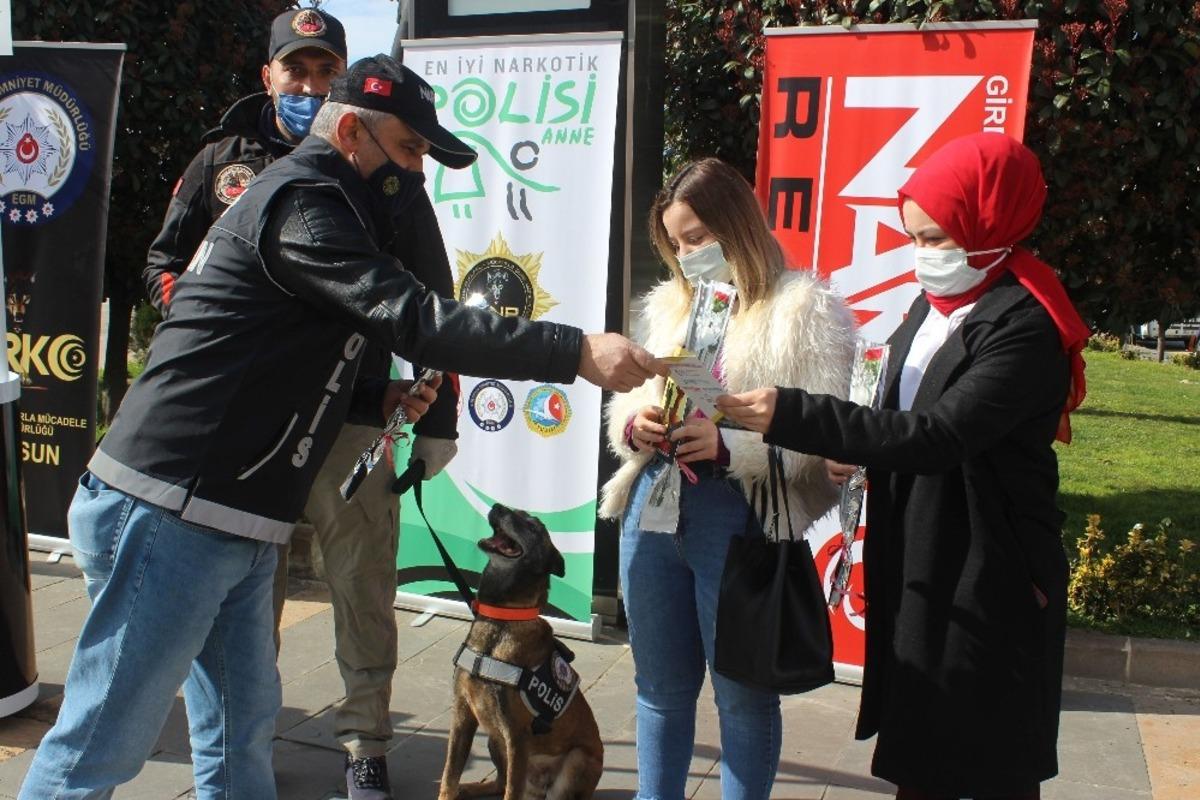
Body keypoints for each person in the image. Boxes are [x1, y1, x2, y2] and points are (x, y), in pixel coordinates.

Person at [18, 55, 662, 800]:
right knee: (100, 743)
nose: (418, 173)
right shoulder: (304, 200)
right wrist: (574, 350)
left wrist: (379, 407)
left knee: (238, 730)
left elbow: (286, 349)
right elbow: (416, 319)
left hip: (236, 516)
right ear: (351, 130)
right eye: (411, 149)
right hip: (173, 509)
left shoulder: (339, 210)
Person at [140, 12, 460, 798]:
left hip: (353, 414)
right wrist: (192, 318)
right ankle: (246, 744)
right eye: (296, 70)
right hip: (248, 425)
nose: (309, 85)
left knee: (361, 586)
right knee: (249, 593)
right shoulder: (224, 161)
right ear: (269, 77)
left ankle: (365, 745)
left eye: (325, 71)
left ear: (343, 85)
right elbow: (163, 260)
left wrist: (440, 422)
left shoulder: (384, 171)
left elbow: (431, 293)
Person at [717, 133, 1090, 800]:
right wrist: (849, 453)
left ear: (992, 220)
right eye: (915, 236)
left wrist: (794, 412)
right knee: (922, 749)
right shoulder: (934, 305)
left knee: (989, 761)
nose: (924, 255)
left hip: (986, 568)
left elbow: (939, 436)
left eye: (939, 238)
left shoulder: (1025, 327)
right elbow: (892, 407)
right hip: (917, 551)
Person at [599, 157, 855, 800]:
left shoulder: (804, 306)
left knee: (742, 696)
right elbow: (627, 400)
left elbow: (824, 433)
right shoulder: (668, 303)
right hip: (652, 505)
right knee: (658, 691)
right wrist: (637, 424)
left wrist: (729, 445)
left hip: (738, 517)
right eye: (677, 243)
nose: (688, 256)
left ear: (736, 226)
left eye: (698, 238)